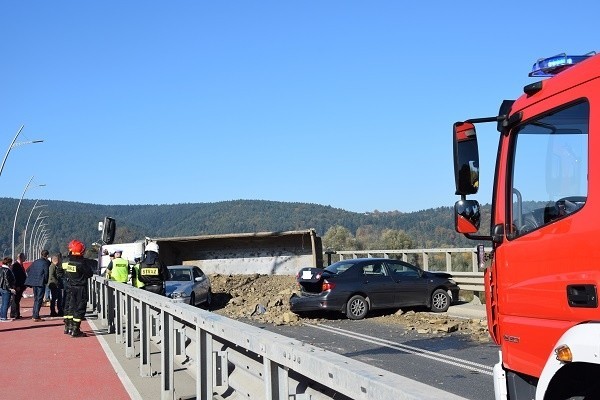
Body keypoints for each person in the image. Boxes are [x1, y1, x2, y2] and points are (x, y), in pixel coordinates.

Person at [62, 239, 93, 337]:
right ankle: (76, 330)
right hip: (80, 288)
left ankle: (69, 327)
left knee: (70, 307)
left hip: (70, 286)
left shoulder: (68, 261)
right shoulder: (81, 263)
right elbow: (89, 273)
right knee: (79, 308)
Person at [24, 249, 50, 321]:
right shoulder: (46, 263)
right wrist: (45, 281)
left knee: (36, 298)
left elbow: (28, 270)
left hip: (34, 282)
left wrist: (33, 276)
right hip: (40, 282)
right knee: (39, 299)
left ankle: (34, 314)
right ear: (47, 255)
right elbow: (46, 273)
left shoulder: (35, 262)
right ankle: (36, 316)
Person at [9, 253, 27, 319]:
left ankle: (16, 313)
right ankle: (14, 314)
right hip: (17, 286)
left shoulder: (20, 265)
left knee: (17, 300)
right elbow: (15, 277)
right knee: (15, 300)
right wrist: (17, 286)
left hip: (21, 285)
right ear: (20, 258)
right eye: (24, 257)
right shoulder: (16, 266)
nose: (25, 258)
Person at [0, 257, 17, 322]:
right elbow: (7, 279)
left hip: (1, 287)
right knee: (6, 303)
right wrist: (10, 288)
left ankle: (2, 316)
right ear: (8, 263)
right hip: (6, 288)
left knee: (3, 303)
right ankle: (3, 317)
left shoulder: (1, 269)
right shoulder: (7, 270)